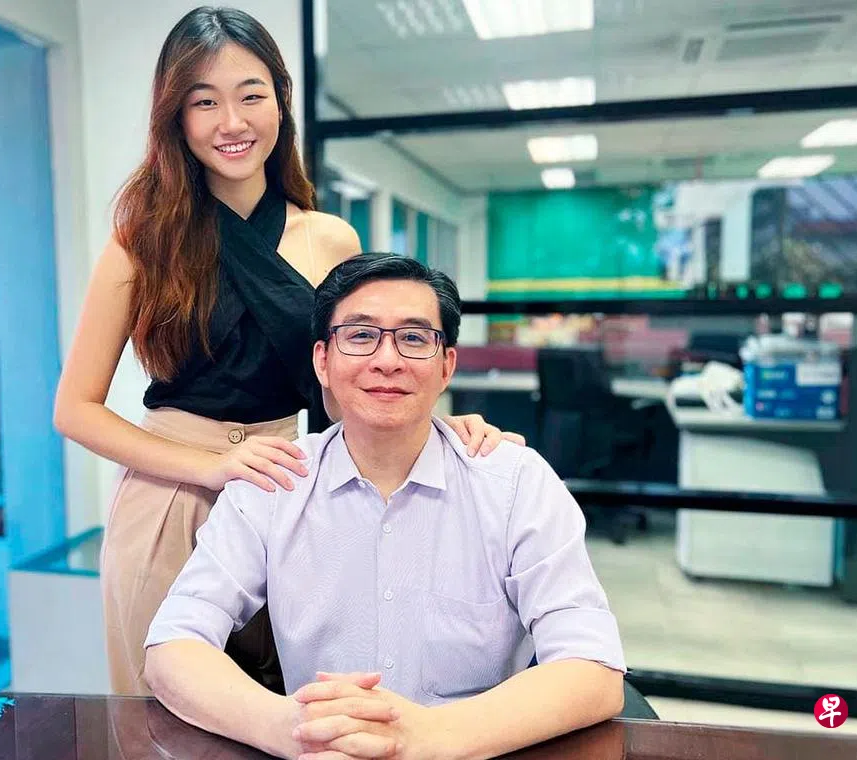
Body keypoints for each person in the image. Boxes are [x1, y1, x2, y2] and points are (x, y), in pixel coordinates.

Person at [52, 6, 522, 697]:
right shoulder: (142, 242)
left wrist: (443, 430)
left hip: (290, 487)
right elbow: (74, 409)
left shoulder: (330, 239)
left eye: (251, 95)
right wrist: (210, 465)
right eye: (204, 102)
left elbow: (355, 373)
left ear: (280, 101)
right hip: (170, 499)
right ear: (175, 117)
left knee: (298, 703)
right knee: (166, 713)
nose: (231, 122)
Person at [144, 253, 626, 760]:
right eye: (360, 335)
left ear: (447, 366)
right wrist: (292, 728)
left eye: (414, 338)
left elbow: (592, 668)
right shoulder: (273, 484)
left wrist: (430, 737)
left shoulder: (514, 483)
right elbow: (173, 643)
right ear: (322, 361)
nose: (387, 360)